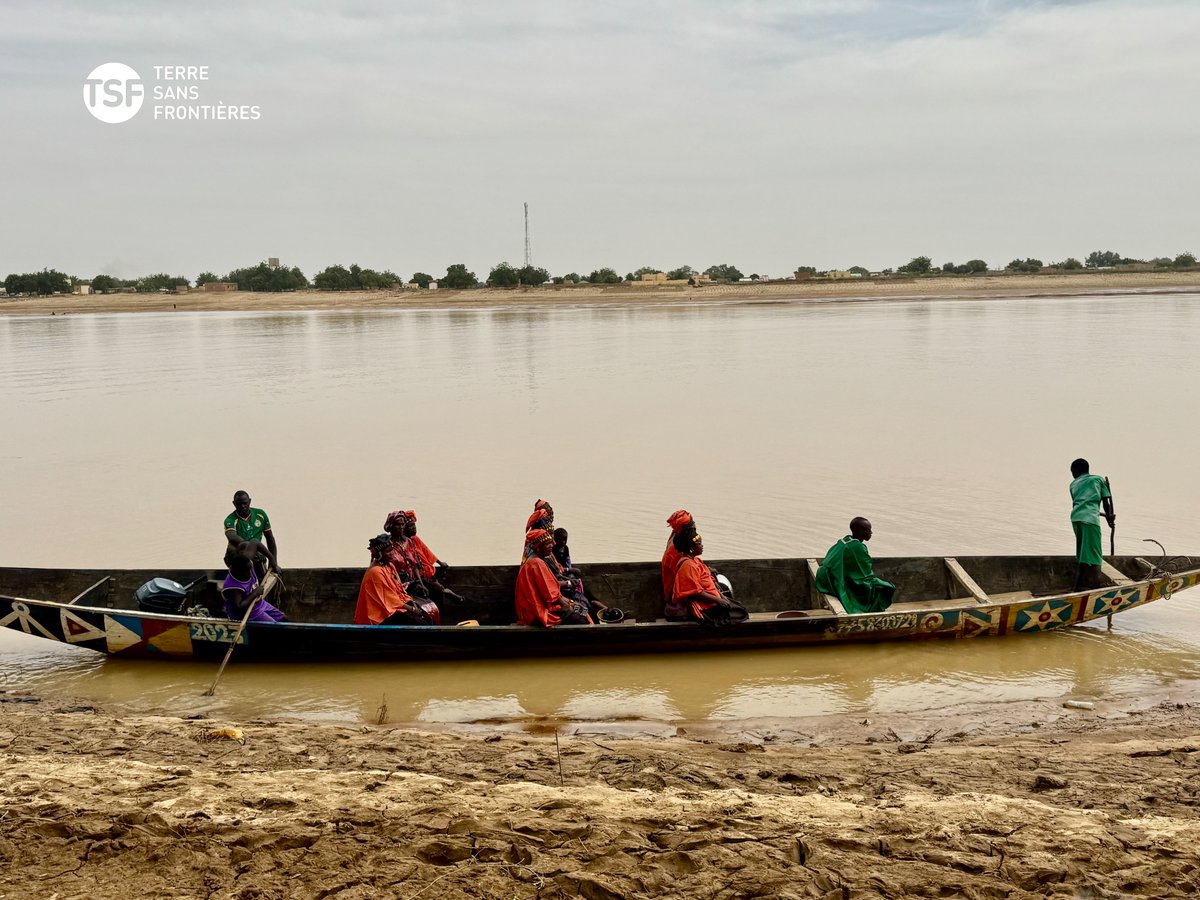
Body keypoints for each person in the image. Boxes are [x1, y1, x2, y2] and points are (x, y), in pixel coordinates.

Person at [815, 517, 896, 614]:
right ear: (860, 531)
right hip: (832, 581)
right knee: (885, 587)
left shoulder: (844, 540)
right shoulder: (858, 547)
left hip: (824, 577)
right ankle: (869, 609)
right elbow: (865, 577)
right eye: (868, 530)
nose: (870, 533)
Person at [515, 529, 592, 627]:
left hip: (535, 608)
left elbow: (552, 590)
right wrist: (568, 605)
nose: (552, 545)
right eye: (547, 544)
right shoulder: (537, 563)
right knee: (581, 615)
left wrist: (570, 602)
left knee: (581, 609)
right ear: (538, 547)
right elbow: (550, 594)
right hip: (537, 612)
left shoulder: (534, 560)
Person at [665, 530, 745, 624]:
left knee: (739, 607)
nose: (702, 546)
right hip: (702, 606)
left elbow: (707, 577)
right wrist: (719, 600)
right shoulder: (688, 565)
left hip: (712, 599)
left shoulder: (696, 560)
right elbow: (696, 593)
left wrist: (722, 596)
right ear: (692, 548)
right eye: (699, 544)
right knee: (740, 613)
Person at [354, 533, 435, 625]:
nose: (392, 553)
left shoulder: (389, 565)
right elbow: (390, 599)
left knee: (428, 617)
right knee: (420, 623)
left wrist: (412, 603)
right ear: (379, 554)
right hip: (382, 613)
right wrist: (411, 609)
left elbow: (398, 589)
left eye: (392, 550)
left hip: (395, 605)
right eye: (388, 551)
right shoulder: (375, 572)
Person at [1069, 458, 1115, 590]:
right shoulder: (1098, 480)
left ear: (1076, 471)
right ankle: (1092, 584)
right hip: (1090, 520)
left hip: (1076, 518)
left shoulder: (1073, 484)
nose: (1072, 475)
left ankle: (1080, 584)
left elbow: (1079, 502)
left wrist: (1108, 518)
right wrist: (1110, 519)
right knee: (1094, 553)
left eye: (1072, 472)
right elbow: (1106, 502)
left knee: (1083, 552)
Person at [221, 540, 286, 623]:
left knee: (283, 619)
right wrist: (254, 593)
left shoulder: (246, 562)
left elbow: (255, 543)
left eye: (250, 569)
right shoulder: (233, 586)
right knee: (275, 627)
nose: (250, 573)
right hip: (247, 613)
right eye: (246, 572)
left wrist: (272, 559)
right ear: (239, 573)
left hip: (258, 604)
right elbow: (239, 606)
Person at [223, 491, 279, 573]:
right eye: (239, 504)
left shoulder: (260, 515)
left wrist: (273, 561)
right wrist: (254, 549)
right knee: (240, 549)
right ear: (234, 504)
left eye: (245, 503)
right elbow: (232, 537)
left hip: (258, 553)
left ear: (249, 501)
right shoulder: (230, 520)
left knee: (260, 563)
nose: (242, 506)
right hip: (238, 555)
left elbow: (270, 538)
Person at [662, 510, 695, 599]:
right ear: (684, 529)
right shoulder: (677, 548)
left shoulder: (677, 536)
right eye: (692, 524)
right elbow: (683, 575)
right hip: (674, 592)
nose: (695, 526)